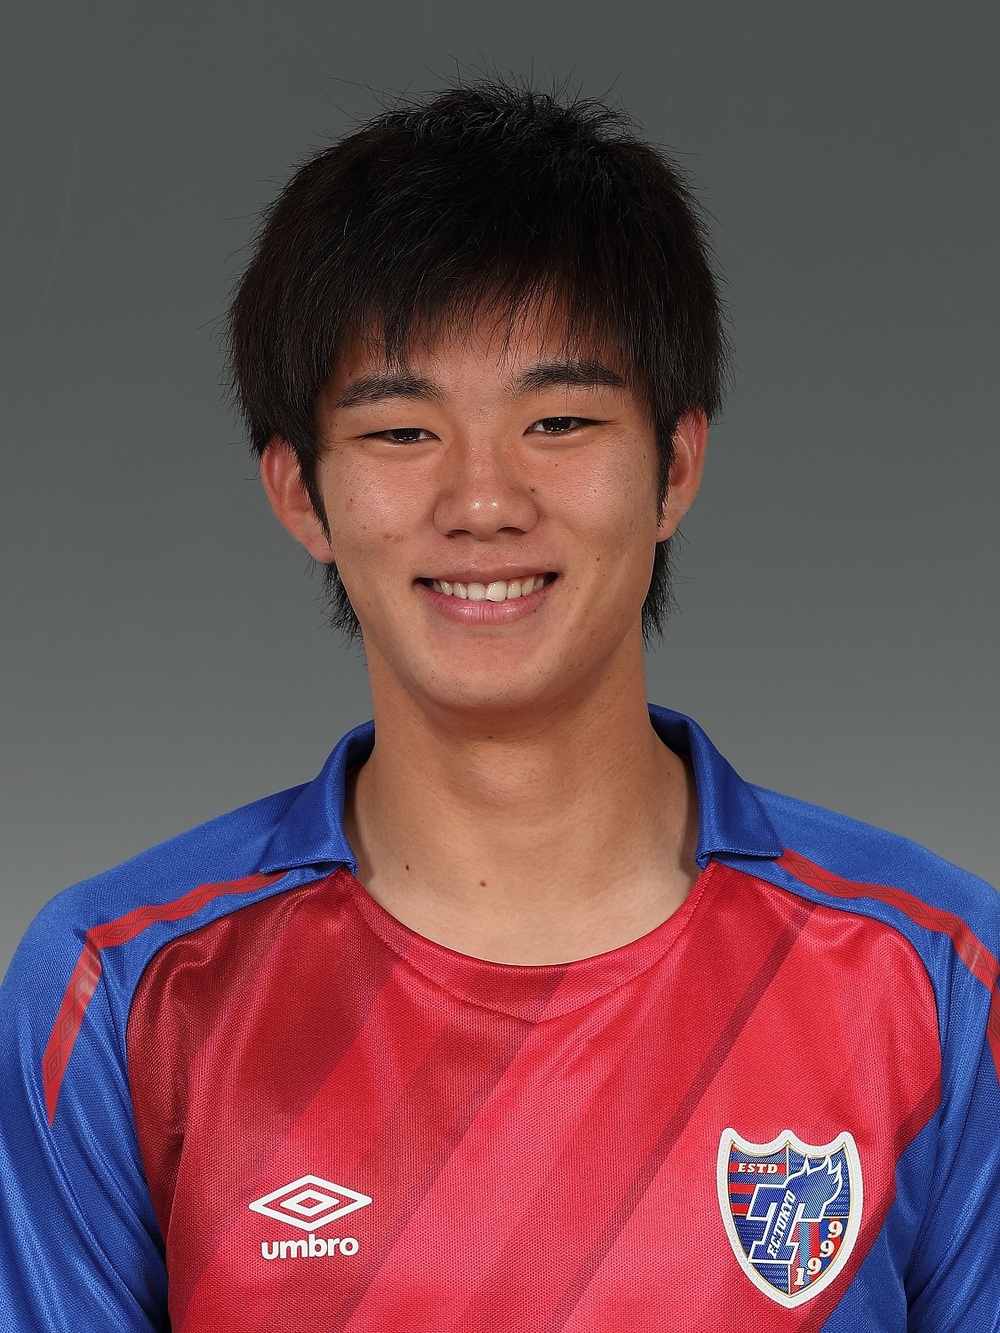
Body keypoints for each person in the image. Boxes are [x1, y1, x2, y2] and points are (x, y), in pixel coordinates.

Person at [0, 81, 997, 1333]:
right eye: (401, 432)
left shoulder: (937, 976)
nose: (482, 501)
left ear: (676, 466)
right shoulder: (120, 992)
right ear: (300, 494)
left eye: (559, 420)